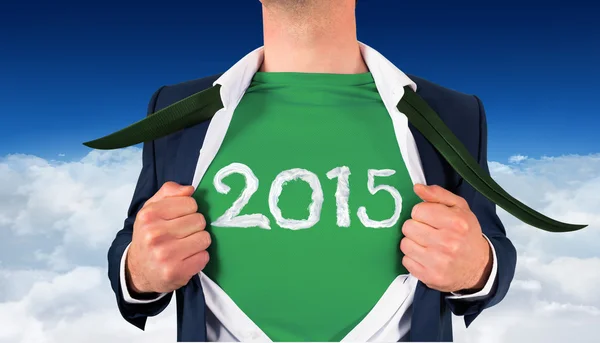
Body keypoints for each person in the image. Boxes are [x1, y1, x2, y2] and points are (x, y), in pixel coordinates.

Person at [106, 0, 518, 341]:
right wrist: (138, 269)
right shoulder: (176, 109)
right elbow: (134, 242)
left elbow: (491, 247)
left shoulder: (455, 114)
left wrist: (477, 267)